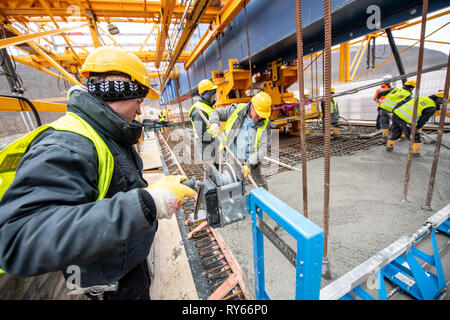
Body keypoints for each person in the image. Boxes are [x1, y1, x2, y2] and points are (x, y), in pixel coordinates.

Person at [0, 46, 195, 300]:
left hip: (124, 266)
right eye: (138, 102)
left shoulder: (106, 133)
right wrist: (148, 203)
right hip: (108, 284)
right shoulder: (68, 144)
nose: (139, 110)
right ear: (120, 94)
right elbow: (18, 237)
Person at [208, 91, 272, 190]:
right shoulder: (235, 110)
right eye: (258, 115)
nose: (260, 119)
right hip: (234, 157)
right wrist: (215, 123)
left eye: (263, 116)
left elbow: (263, 148)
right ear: (252, 107)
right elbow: (215, 112)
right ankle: (241, 200)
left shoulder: (265, 123)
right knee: (238, 184)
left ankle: (266, 201)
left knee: (262, 185)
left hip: (252, 158)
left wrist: (249, 164)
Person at [386, 91, 445, 156]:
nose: (440, 105)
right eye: (441, 103)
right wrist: (417, 128)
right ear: (439, 100)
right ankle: (415, 154)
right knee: (414, 137)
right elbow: (423, 120)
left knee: (396, 132)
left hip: (396, 115)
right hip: (405, 120)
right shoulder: (431, 107)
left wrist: (394, 110)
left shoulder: (420, 97)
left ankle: (389, 148)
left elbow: (402, 102)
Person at [188, 79, 218, 168]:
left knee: (217, 168)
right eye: (213, 93)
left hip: (211, 143)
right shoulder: (198, 111)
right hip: (205, 145)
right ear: (207, 95)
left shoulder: (207, 106)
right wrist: (214, 134)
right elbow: (202, 135)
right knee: (210, 169)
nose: (214, 96)